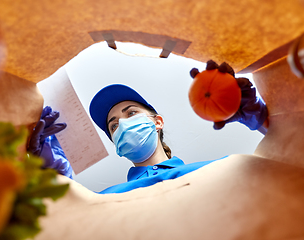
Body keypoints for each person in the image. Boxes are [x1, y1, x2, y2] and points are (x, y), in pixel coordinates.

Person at [88, 60, 268, 194]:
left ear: (157, 122)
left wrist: (259, 118)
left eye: (131, 113)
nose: (123, 124)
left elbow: (287, 166)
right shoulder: (103, 199)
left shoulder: (216, 170)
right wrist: (60, 177)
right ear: (117, 145)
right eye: (114, 126)